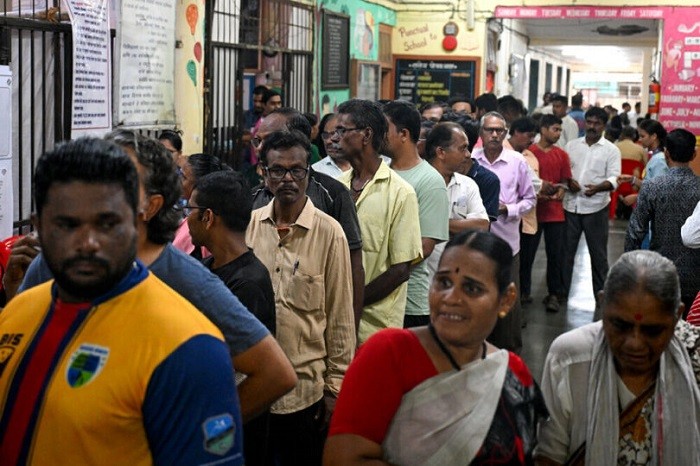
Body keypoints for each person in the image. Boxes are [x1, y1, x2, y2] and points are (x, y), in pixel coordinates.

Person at [11, 131, 296, 425]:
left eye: (120, 180)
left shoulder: (188, 280)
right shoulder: (54, 262)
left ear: (151, 204)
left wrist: (191, 434)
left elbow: (274, 373)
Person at [0, 137, 244, 465]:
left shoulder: (189, 347)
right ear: (39, 225)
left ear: (137, 221)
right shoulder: (17, 312)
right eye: (67, 224)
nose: (87, 242)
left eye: (107, 223)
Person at [324, 230, 547, 465]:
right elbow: (343, 459)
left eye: (472, 289)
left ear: (506, 300)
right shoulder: (388, 354)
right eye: (444, 282)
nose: (451, 298)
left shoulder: (513, 373)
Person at [246, 130, 356, 466]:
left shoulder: (329, 232)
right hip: (255, 389)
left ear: (309, 173)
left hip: (305, 390)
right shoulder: (249, 227)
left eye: (297, 170)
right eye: (278, 170)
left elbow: (340, 316)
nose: (288, 179)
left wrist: (335, 389)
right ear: (264, 174)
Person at [536, 250, 700, 465]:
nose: (635, 343)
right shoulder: (571, 358)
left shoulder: (694, 357)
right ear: (602, 303)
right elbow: (549, 456)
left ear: (677, 316)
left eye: (652, 331)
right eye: (620, 325)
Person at [187, 169, 276, 466]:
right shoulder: (208, 267)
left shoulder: (248, 283)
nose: (186, 219)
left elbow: (238, 369)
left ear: (208, 217)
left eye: (190, 210)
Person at [250, 107, 365, 327]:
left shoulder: (332, 194)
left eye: (271, 140)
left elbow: (352, 267)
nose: (261, 148)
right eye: (258, 141)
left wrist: (351, 328)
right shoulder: (253, 201)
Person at [334, 99, 422, 343]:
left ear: (366, 135)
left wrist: (353, 302)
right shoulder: (337, 188)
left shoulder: (400, 193)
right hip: (334, 323)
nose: (334, 138)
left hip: (376, 328)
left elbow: (400, 270)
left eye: (342, 131)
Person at [472, 111, 536, 352]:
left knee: (509, 301)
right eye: (490, 130)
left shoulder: (517, 161)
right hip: (477, 243)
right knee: (479, 295)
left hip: (507, 242)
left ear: (506, 134)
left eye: (500, 130)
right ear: (481, 133)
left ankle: (510, 354)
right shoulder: (472, 160)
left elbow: (530, 199)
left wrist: (507, 209)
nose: (495, 135)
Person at [382, 100, 450, 328]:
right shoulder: (381, 172)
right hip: (378, 297)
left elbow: (425, 246)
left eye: (384, 129)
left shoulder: (429, 181)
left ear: (403, 134)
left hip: (409, 300)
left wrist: (380, 272)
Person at [625, 128, 700, 313]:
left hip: (661, 271)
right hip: (696, 275)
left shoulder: (652, 187)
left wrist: (630, 273)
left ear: (666, 153)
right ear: (694, 154)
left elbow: (635, 232)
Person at [563, 107, 621, 310]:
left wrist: (598, 188)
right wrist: (569, 181)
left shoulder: (611, 150)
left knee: (598, 255)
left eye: (597, 123)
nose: (592, 126)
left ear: (604, 126)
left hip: (596, 208)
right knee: (566, 254)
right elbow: (564, 172)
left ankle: (601, 296)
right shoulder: (571, 146)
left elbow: (614, 178)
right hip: (571, 206)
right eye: (589, 122)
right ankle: (560, 295)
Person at [424, 122, 489, 282]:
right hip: (421, 279)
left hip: (457, 275)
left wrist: (433, 225)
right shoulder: (419, 183)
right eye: (462, 148)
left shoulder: (467, 185)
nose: (468, 154)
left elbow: (482, 225)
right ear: (441, 152)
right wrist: (459, 226)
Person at [528, 115, 573, 312]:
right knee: (527, 255)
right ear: (543, 129)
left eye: (559, 130)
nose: (558, 134)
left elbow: (565, 181)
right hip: (533, 213)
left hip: (555, 213)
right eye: (555, 129)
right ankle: (523, 292)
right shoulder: (529, 154)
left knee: (556, 256)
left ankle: (554, 294)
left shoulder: (562, 155)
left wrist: (562, 190)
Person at [173, 152, 227, 258]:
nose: (178, 180)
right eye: (179, 173)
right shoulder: (190, 213)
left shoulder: (201, 228)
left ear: (199, 186)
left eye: (183, 177)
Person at [612, 126, 646, 220]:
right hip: (633, 184)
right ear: (634, 136)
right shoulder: (640, 150)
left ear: (622, 134)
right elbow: (646, 166)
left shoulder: (614, 147)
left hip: (617, 182)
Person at [312, 113, 351, 178]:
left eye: (334, 134)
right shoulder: (315, 171)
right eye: (325, 135)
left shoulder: (365, 168)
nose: (328, 141)